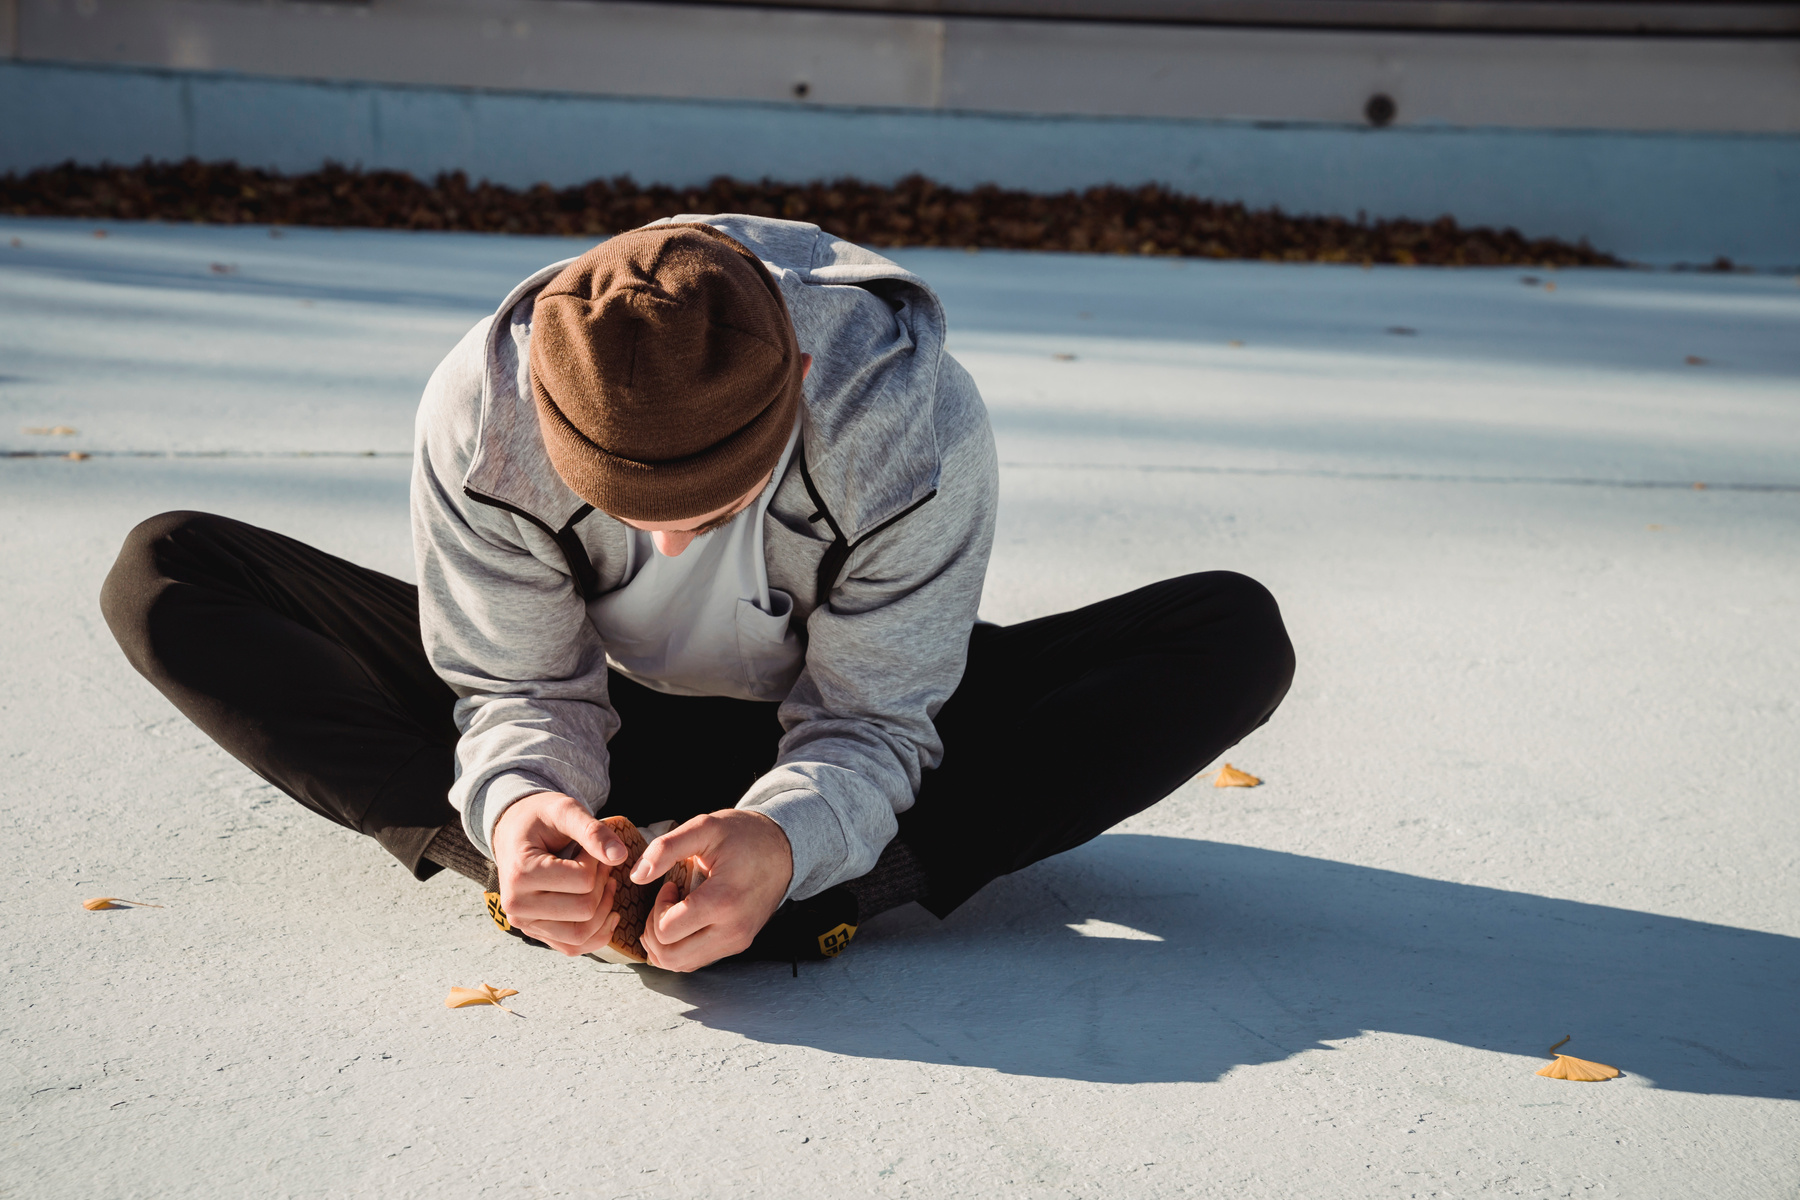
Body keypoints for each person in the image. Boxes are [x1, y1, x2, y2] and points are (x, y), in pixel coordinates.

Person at [101, 215, 1295, 972]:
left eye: (715, 504)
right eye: (621, 504)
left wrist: (790, 840)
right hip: (603, 719)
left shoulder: (907, 420)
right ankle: (559, 882)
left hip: (834, 706)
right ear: (544, 419)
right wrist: (521, 815)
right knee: (168, 574)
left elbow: (876, 719)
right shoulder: (482, 409)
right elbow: (515, 682)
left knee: (1230, 634)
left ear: (806, 380)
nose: (667, 549)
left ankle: (803, 890)